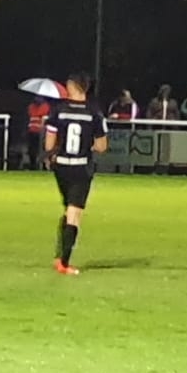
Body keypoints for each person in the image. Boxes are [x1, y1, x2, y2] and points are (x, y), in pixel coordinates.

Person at [44, 72, 109, 275]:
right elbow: (101, 146)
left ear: (71, 86)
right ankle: (64, 263)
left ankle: (59, 256)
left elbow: (49, 143)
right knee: (74, 213)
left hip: (61, 166)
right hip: (81, 167)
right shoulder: (94, 112)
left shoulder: (58, 110)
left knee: (68, 209)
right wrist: (88, 145)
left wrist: (52, 154)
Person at [25, 96, 51, 170]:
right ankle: (33, 165)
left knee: (42, 149)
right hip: (32, 130)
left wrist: (42, 129)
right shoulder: (31, 106)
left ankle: (43, 166)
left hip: (41, 131)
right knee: (32, 149)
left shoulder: (45, 106)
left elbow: (44, 118)